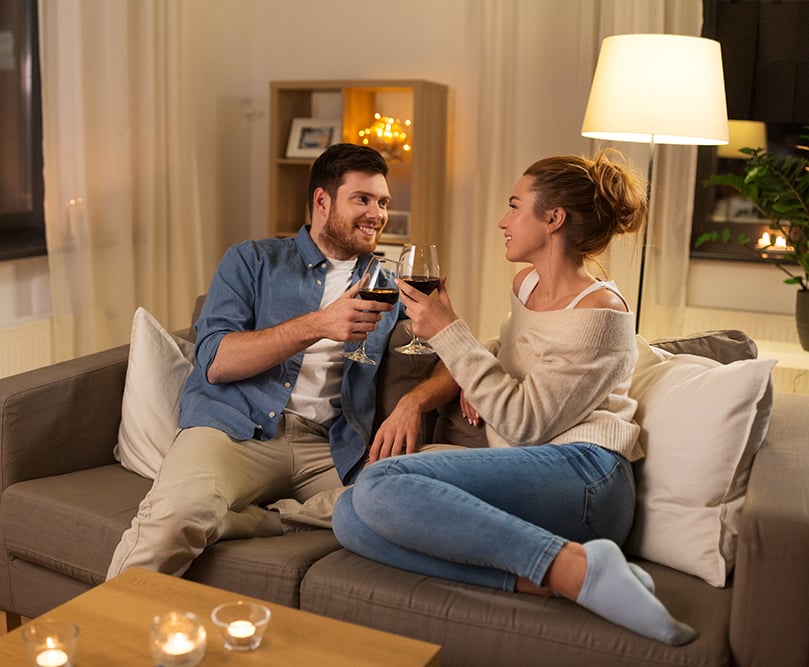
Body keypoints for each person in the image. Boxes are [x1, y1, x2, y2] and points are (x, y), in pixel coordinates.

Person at [332, 150, 698, 645]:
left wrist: (449, 333)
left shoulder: (602, 314)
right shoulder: (526, 284)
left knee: (378, 483)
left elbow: (526, 423)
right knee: (350, 517)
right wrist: (475, 366)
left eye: (514, 206)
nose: (503, 221)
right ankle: (559, 581)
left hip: (588, 477)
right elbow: (514, 358)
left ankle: (575, 567)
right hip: (537, 469)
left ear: (553, 218)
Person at [107, 143, 404, 579]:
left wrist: (415, 404)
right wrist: (318, 324)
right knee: (174, 517)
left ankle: (264, 521)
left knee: (404, 499)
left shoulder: (387, 283)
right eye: (362, 199)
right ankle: (101, 638)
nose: (376, 214)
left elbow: (444, 349)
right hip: (235, 430)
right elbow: (215, 362)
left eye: (382, 202)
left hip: (329, 447)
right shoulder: (252, 260)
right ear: (322, 201)